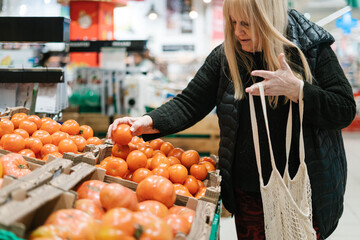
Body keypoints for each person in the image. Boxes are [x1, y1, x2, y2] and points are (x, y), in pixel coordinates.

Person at [107, 0, 356, 239]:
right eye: (233, 22)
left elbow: (344, 109)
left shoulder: (311, 50)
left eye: (246, 23)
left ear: (268, 19)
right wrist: (148, 121)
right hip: (248, 192)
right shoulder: (226, 55)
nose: (237, 31)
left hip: (302, 192)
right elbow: (191, 102)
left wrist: (299, 91)